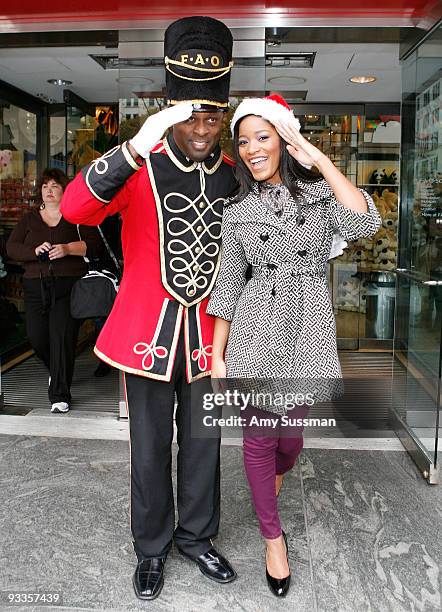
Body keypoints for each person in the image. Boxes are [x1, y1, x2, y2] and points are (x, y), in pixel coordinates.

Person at [61, 17, 237, 601]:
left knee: (205, 445)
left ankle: (197, 537)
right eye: (189, 113)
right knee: (149, 448)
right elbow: (75, 208)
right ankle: (152, 547)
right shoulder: (135, 166)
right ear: (167, 110)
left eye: (212, 115)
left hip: (211, 339)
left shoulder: (235, 180)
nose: (202, 128)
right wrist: (133, 146)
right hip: (147, 336)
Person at [207, 94, 382, 597]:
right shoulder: (238, 210)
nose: (251, 149)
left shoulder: (319, 200)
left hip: (308, 338)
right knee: (260, 440)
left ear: (284, 140)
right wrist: (217, 355)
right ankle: (272, 538)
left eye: (263, 137)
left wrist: (319, 158)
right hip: (254, 339)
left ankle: (279, 474)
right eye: (243, 142)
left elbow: (365, 221)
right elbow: (227, 285)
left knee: (291, 441)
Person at [6, 168, 102, 413]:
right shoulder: (29, 219)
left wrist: (68, 249)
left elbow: (94, 246)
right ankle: (56, 371)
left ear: (64, 190)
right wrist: (34, 251)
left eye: (54, 186)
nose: (49, 190)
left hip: (67, 286)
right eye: (45, 186)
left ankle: (60, 395)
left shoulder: (76, 216)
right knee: (37, 338)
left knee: (61, 337)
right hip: (35, 286)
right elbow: (11, 248)